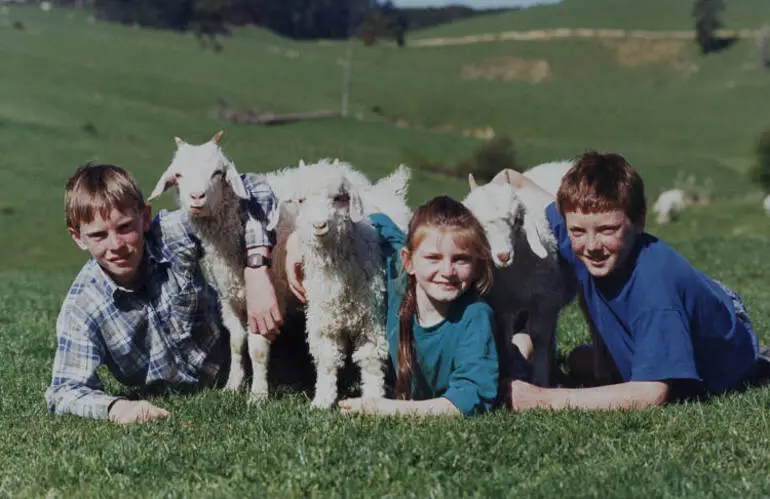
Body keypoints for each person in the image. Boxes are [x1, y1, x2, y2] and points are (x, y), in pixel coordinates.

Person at [501, 151, 766, 410]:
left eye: (608, 230)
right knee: (578, 361)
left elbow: (652, 392)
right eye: (577, 231)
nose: (592, 245)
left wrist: (540, 399)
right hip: (666, 307)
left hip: (727, 340)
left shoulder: (655, 291)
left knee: (631, 375)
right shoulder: (587, 237)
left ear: (639, 221)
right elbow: (513, 178)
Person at [45, 163, 282, 423]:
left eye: (125, 227)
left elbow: (254, 187)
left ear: (145, 217)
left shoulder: (170, 234)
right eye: (98, 235)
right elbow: (64, 390)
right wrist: (117, 408)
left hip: (252, 348)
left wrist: (257, 268)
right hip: (175, 392)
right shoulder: (83, 306)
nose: (116, 246)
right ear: (78, 238)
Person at [286, 196, 499, 416]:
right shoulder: (396, 268)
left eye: (461, 259)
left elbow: (469, 401)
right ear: (409, 261)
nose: (447, 271)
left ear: (477, 264)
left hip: (424, 402)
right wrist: (295, 243)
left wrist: (387, 408)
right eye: (433, 257)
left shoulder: (475, 316)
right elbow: (371, 214)